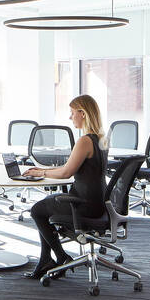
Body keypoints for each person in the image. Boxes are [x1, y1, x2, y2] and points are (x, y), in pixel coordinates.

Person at [24, 96, 109, 281]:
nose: (70, 117)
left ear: (83, 114)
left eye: (72, 113)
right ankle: (46, 259)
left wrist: (40, 173)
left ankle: (60, 257)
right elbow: (69, 169)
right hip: (98, 202)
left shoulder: (85, 141)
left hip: (83, 204)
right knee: (46, 204)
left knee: (37, 210)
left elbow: (66, 173)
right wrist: (43, 171)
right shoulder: (101, 138)